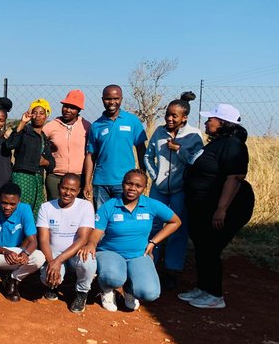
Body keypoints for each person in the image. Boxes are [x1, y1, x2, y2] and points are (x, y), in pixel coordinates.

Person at [179, 104, 254, 309]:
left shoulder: (233, 145)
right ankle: (203, 287)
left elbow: (235, 178)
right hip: (203, 206)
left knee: (211, 247)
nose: (206, 122)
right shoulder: (217, 143)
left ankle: (215, 295)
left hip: (226, 207)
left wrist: (221, 209)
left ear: (222, 122)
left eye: (210, 119)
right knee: (202, 246)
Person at [79, 169, 181, 312]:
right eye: (129, 184)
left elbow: (175, 222)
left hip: (139, 254)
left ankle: (129, 290)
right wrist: (91, 243)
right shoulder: (111, 205)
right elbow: (97, 232)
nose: (132, 188)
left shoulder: (151, 204)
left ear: (144, 188)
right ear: (122, 184)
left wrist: (153, 242)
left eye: (138, 186)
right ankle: (107, 289)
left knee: (150, 293)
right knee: (114, 278)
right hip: (110, 252)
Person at [143, 92, 204, 288]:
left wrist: (180, 150)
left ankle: (172, 268)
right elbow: (147, 157)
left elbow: (197, 161)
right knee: (153, 226)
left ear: (184, 117)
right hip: (159, 189)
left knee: (178, 228)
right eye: (167, 114)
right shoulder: (159, 132)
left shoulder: (194, 135)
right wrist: (155, 177)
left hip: (180, 190)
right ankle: (149, 263)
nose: (169, 118)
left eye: (174, 116)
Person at [0, 182, 46, 302]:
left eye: (12, 204)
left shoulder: (25, 209)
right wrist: (5, 252)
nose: (8, 207)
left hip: (16, 252)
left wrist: (26, 253)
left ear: (19, 201)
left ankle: (13, 280)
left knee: (39, 257)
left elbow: (33, 240)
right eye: (4, 203)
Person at [37, 173, 97, 313]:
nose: (67, 193)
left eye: (72, 190)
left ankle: (82, 292)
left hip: (75, 252)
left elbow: (83, 239)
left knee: (87, 261)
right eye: (64, 188)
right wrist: (52, 262)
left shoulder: (85, 206)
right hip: (53, 253)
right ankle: (53, 286)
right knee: (47, 278)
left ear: (79, 190)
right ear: (58, 187)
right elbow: (44, 240)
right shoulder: (46, 207)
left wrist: (58, 261)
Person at [83, 85, 147, 208]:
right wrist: (87, 183)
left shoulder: (132, 121)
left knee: (123, 219)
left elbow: (141, 149)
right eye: (108, 99)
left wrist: (143, 174)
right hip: (101, 183)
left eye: (116, 98)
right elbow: (91, 155)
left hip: (126, 182)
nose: (112, 102)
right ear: (102, 100)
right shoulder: (96, 125)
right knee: (102, 220)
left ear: (121, 99)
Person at [5, 99, 55, 217]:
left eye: (41, 113)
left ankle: (30, 235)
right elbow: (10, 144)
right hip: (22, 177)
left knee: (35, 212)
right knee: (20, 211)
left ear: (46, 116)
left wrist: (45, 162)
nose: (38, 116)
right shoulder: (24, 132)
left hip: (37, 180)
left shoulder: (44, 138)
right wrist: (22, 123)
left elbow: (52, 164)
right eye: (35, 112)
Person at [43, 90, 91, 200]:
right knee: (55, 208)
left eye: (73, 107)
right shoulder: (51, 126)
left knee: (76, 211)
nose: (68, 110)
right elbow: (37, 142)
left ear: (79, 110)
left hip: (78, 177)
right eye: (66, 106)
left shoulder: (86, 126)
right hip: (56, 176)